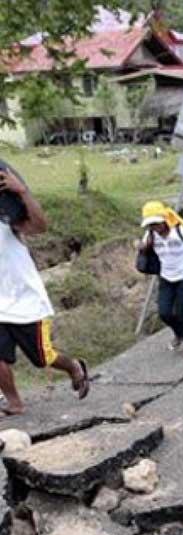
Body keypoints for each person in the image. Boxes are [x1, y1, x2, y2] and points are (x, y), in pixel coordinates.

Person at [0, 164, 90, 416]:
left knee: (43, 357)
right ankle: (14, 402)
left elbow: (39, 227)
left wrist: (23, 192)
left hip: (26, 302)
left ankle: (73, 367)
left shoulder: (8, 219)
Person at [139, 201, 183, 357]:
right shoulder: (150, 235)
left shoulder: (180, 230)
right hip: (166, 278)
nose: (154, 228)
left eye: (156, 224)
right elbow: (142, 248)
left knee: (180, 312)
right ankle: (179, 334)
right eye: (150, 225)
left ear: (164, 219)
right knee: (164, 313)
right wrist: (143, 246)